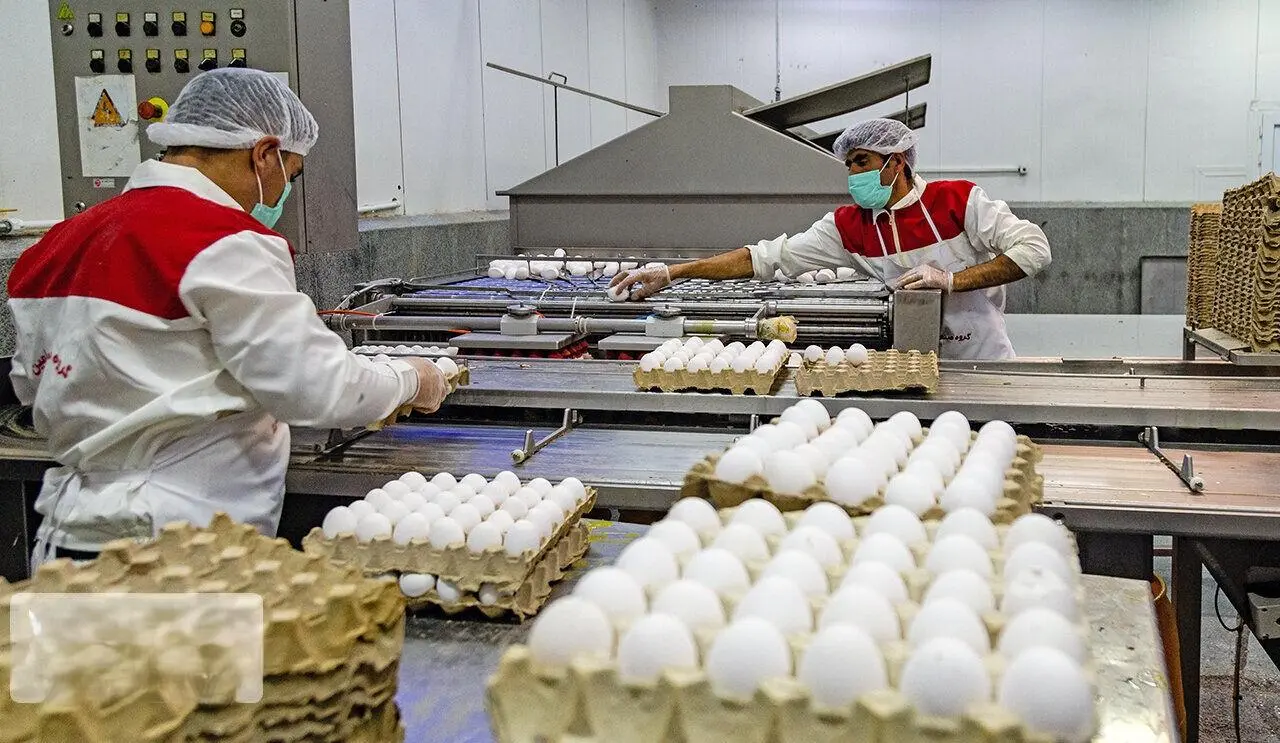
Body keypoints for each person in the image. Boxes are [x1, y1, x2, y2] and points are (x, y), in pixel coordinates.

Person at [7, 68, 448, 567]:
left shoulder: (54, 246)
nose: (280, 195)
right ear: (265, 153)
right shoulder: (221, 240)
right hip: (176, 549)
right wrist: (413, 378)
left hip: (67, 539)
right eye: (290, 175)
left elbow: (32, 385)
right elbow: (316, 386)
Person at [608, 118, 1051, 359]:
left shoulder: (956, 200)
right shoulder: (848, 226)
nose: (853, 173)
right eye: (849, 165)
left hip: (983, 358)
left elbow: (1034, 250)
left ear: (897, 162)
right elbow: (765, 258)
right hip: (912, 362)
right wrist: (673, 272)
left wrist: (951, 281)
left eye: (862, 161)